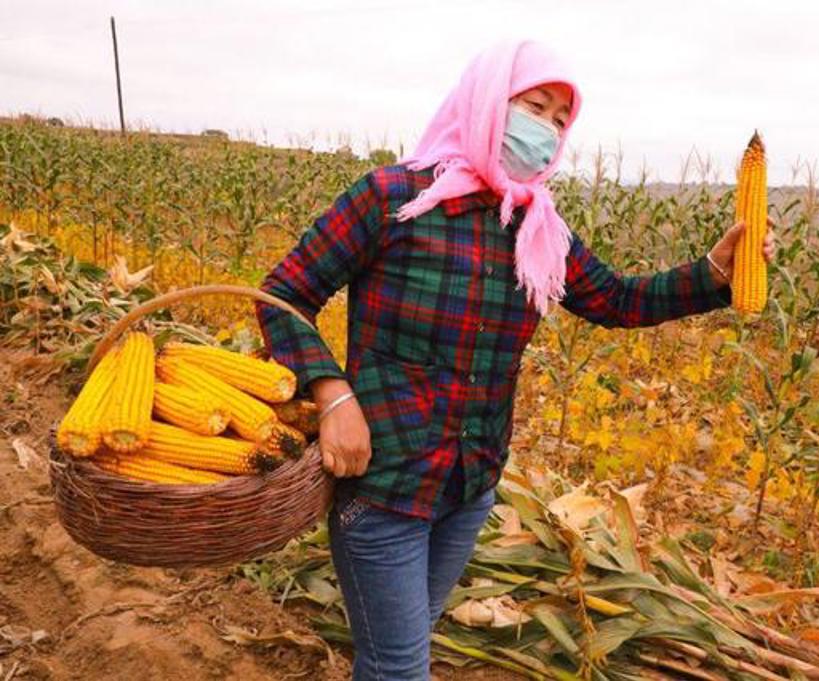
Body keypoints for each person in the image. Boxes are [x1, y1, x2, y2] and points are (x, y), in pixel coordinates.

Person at [255, 38, 775, 681]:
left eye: (561, 119)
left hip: (469, 486)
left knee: (406, 643)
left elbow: (614, 299)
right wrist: (332, 394)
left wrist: (712, 273)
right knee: (400, 665)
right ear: (487, 103)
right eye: (536, 106)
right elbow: (282, 296)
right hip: (383, 486)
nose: (548, 131)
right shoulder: (394, 198)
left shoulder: (538, 228)